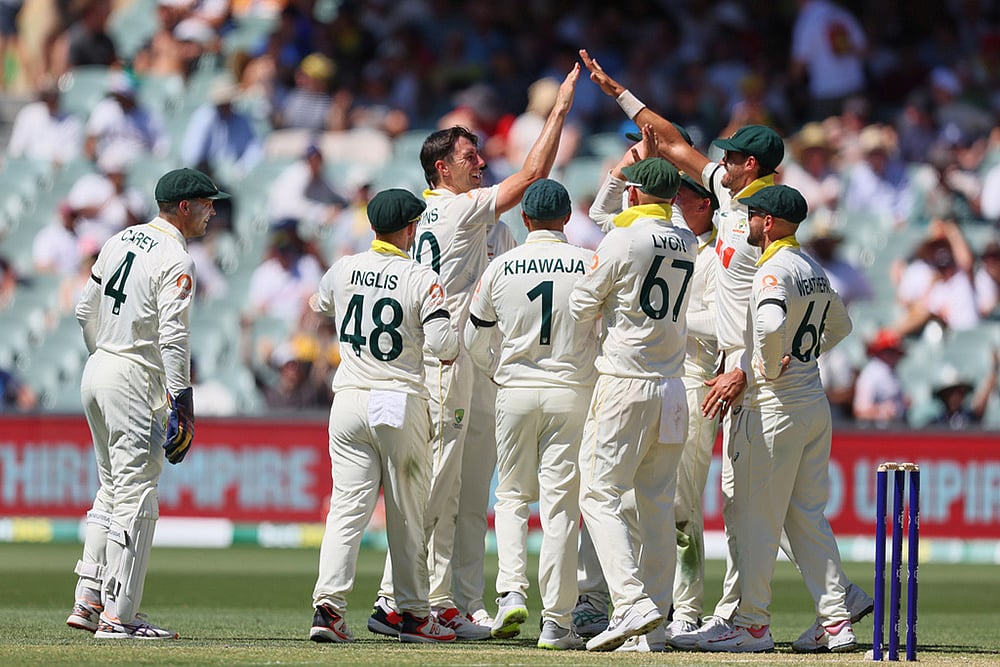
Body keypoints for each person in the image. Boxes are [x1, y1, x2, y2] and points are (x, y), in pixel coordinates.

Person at [579, 48, 873, 650]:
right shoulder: (743, 206)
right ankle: (835, 604)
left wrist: (749, 363)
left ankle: (745, 620)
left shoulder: (760, 223)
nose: (721, 163)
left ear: (751, 165)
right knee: (784, 511)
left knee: (747, 509)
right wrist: (620, 94)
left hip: (755, 384)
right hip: (777, 384)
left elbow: (763, 315)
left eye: (732, 156)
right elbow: (671, 141)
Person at [370, 64, 579, 642]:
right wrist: (559, 110)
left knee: (465, 491)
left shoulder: (471, 224)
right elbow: (533, 173)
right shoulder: (453, 210)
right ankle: (399, 600)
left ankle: (456, 602)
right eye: (471, 156)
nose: (482, 163)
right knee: (437, 486)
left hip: (470, 365)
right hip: (442, 363)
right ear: (443, 168)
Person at [65, 167, 229, 639]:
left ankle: (89, 597)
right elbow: (174, 337)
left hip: (98, 369)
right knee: (138, 494)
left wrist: (104, 356)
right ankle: (119, 616)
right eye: (207, 203)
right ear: (184, 207)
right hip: (134, 377)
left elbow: (83, 309)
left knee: (112, 488)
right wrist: (183, 401)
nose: (212, 212)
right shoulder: (177, 258)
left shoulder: (119, 239)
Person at [698, 185, 855, 653]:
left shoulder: (771, 270)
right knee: (806, 518)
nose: (747, 223)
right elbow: (841, 326)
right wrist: (802, 355)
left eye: (752, 216)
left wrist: (765, 366)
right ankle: (836, 621)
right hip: (812, 404)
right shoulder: (811, 268)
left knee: (756, 521)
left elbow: (767, 325)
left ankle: (752, 625)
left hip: (772, 410)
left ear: (767, 223)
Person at [308, 189, 459, 645]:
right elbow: (444, 346)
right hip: (397, 399)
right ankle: (414, 615)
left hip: (349, 400)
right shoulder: (421, 277)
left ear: (372, 226)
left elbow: (318, 305)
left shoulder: (343, 268)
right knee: (407, 513)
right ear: (411, 228)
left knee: (346, 510)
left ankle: (328, 609)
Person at [464, 179, 597, 650]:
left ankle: (511, 593)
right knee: (561, 505)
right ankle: (557, 621)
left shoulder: (501, 266)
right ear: (567, 218)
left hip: (515, 390)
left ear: (524, 219)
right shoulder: (589, 263)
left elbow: (473, 337)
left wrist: (498, 370)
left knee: (512, 497)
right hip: (572, 392)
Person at [568, 156, 694, 652]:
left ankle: (629, 601)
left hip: (625, 382)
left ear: (634, 193)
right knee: (657, 505)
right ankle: (654, 627)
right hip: (673, 387)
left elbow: (581, 304)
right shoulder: (687, 239)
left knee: (598, 494)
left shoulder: (622, 239)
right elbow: (666, 217)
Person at [451, 220, 517, 629]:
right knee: (431, 498)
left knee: (473, 498)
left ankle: (468, 600)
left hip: (484, 378)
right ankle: (417, 598)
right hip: (440, 372)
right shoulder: (434, 222)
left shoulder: (501, 233)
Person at [788, 0, 868, 122]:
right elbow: (864, 50)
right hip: (853, 86)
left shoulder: (807, 20)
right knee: (859, 133)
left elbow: (799, 65)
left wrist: (789, 85)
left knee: (821, 133)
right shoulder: (841, 13)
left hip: (825, 92)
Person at [181, 76, 264, 182]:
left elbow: (254, 147)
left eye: (229, 103)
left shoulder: (240, 119)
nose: (227, 107)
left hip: (235, 175)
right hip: (207, 174)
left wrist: (241, 167)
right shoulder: (204, 118)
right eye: (223, 104)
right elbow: (192, 154)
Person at [853, 328, 909, 427]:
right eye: (888, 351)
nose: (892, 355)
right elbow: (860, 410)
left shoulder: (893, 373)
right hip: (872, 431)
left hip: (892, 429)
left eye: (894, 351)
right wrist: (882, 410)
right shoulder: (871, 373)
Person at [930, 356, 998, 429]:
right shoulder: (936, 422)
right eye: (950, 393)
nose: (955, 396)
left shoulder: (970, 417)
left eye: (959, 392)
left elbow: (984, 397)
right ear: (944, 396)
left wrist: (995, 368)